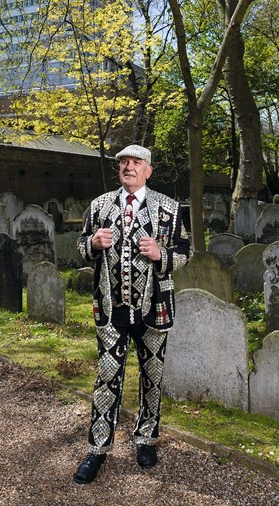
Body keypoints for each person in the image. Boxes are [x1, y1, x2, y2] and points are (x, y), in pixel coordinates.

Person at [74, 144, 192, 484]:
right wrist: (93, 244)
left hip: (154, 309)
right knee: (107, 376)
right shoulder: (99, 206)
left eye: (136, 162)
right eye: (123, 162)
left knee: (152, 376)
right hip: (111, 310)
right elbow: (81, 245)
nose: (129, 167)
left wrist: (161, 254)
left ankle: (145, 439)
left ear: (148, 170)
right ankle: (97, 448)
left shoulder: (168, 208)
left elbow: (187, 250)